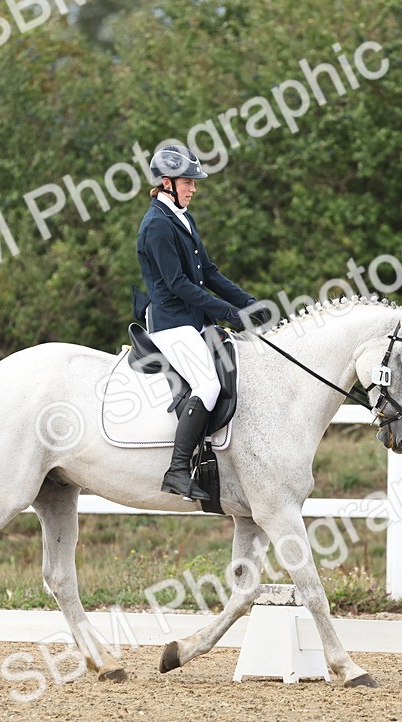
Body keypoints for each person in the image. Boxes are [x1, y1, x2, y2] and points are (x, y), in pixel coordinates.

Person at [134, 144, 269, 501]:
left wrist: (247, 303)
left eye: (194, 182)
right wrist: (228, 313)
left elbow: (207, 272)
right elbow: (178, 284)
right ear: (166, 183)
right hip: (170, 323)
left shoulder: (181, 217)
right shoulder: (156, 227)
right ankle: (177, 470)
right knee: (207, 385)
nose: (194, 188)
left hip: (191, 319)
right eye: (187, 182)